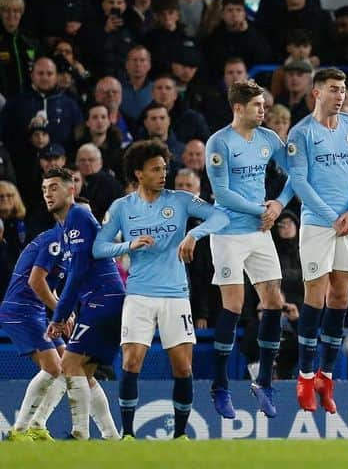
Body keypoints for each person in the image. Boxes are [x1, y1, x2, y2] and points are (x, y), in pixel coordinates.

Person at [94, 139, 229, 439]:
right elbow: (98, 247)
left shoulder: (181, 200)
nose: (162, 173)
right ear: (139, 174)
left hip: (176, 295)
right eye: (155, 169)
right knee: (131, 361)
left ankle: (180, 436)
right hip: (139, 294)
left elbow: (220, 216)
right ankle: (128, 435)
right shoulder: (122, 207)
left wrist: (194, 234)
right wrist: (129, 244)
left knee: (182, 367)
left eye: (164, 168)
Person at [203, 80, 295, 419]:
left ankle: (264, 382)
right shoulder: (219, 142)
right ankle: (220, 386)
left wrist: (279, 205)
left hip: (259, 233)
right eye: (258, 105)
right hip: (227, 232)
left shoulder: (269, 139)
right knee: (235, 304)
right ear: (238, 108)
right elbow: (223, 194)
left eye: (265, 106)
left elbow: (297, 174)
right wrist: (263, 210)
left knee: (274, 301)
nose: (263, 111)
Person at [287, 68, 348, 414]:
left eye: (344, 89)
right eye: (334, 90)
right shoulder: (301, 132)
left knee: (341, 295)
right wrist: (331, 217)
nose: (341, 96)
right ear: (317, 93)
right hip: (318, 224)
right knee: (316, 294)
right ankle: (305, 376)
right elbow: (300, 182)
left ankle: (326, 376)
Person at [43, 168, 125, 440]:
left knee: (69, 365)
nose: (47, 194)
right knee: (85, 373)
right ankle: (112, 437)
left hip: (103, 300)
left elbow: (78, 272)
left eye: (54, 187)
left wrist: (59, 316)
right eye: (44, 189)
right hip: (104, 301)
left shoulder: (78, 214)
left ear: (71, 190)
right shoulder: (65, 227)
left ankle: (80, 434)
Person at [0, 223, 77, 441]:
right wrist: (59, 311)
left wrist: (65, 310)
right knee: (53, 367)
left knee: (67, 365)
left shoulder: (67, 247)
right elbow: (35, 281)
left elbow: (48, 284)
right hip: (20, 310)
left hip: (35, 311)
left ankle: (38, 424)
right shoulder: (54, 241)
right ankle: (20, 430)